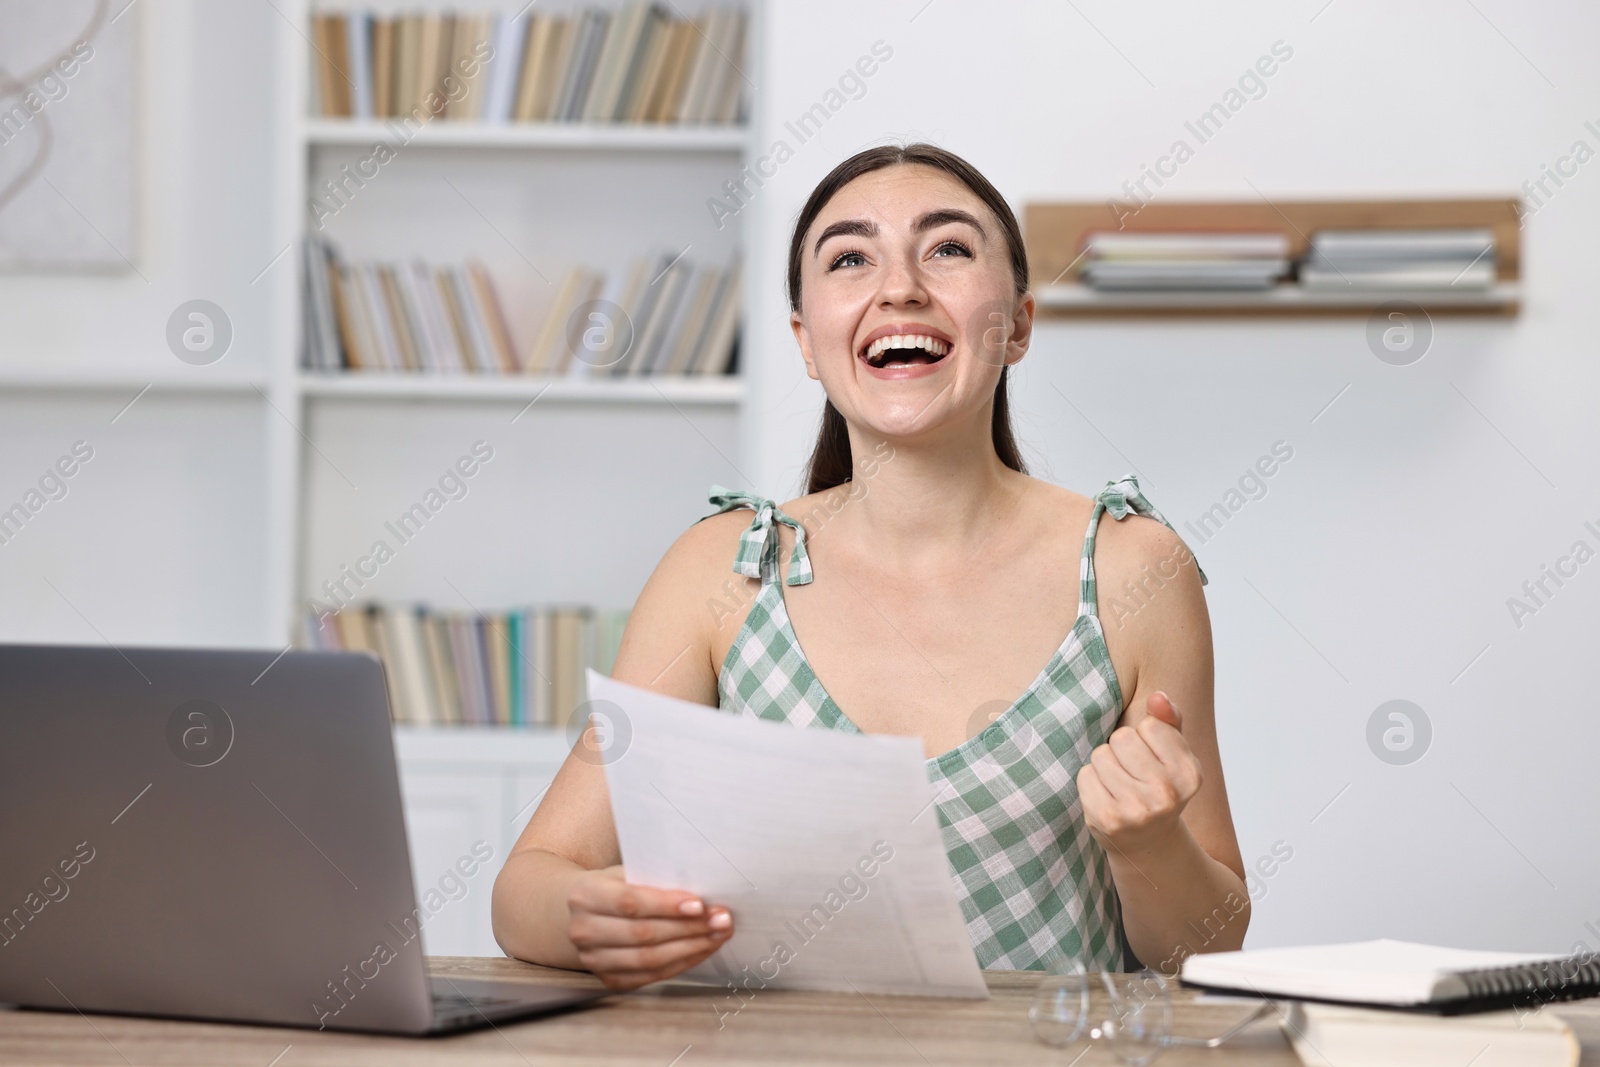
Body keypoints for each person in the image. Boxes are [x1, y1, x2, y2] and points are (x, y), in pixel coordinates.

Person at [492, 144, 1248, 990]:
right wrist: (587, 916)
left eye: (949, 250)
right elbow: (530, 882)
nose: (900, 288)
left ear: (1021, 324)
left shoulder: (1130, 567)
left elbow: (1209, 948)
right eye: (851, 258)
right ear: (806, 341)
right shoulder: (726, 569)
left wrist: (1149, 844)